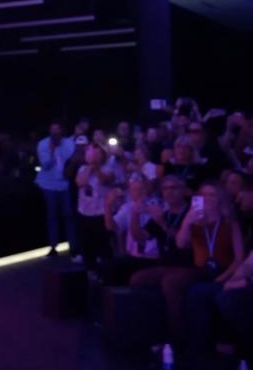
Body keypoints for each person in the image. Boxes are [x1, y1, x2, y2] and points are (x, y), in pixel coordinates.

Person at [132, 182, 245, 347]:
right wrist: (187, 222)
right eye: (203, 195)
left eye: (211, 195)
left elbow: (239, 257)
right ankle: (152, 333)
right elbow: (180, 243)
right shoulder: (195, 222)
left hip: (222, 269)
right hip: (201, 269)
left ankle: (178, 338)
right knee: (139, 279)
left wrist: (225, 277)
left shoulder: (230, 223)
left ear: (220, 199)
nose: (207, 199)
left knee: (172, 282)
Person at [103, 174, 162, 284]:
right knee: (107, 268)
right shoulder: (128, 207)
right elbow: (111, 226)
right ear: (130, 192)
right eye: (135, 189)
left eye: (141, 189)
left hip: (154, 257)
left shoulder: (158, 205)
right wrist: (107, 206)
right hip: (134, 257)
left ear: (147, 189)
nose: (138, 192)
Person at [35, 121, 76, 257]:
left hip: (65, 184)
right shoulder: (42, 144)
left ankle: (73, 246)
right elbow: (45, 164)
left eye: (57, 129)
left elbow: (71, 160)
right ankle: (53, 246)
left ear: (61, 130)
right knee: (52, 215)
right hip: (48, 184)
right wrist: (52, 150)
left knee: (69, 215)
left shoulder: (69, 143)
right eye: (53, 129)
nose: (55, 132)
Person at [74, 142, 115, 266]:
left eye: (97, 153)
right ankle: (90, 269)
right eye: (91, 152)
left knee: (104, 245)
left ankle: (107, 270)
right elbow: (80, 182)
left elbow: (104, 180)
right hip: (85, 213)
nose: (94, 155)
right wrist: (90, 167)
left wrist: (95, 167)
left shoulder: (108, 169)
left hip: (102, 213)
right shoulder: (82, 169)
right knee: (87, 245)